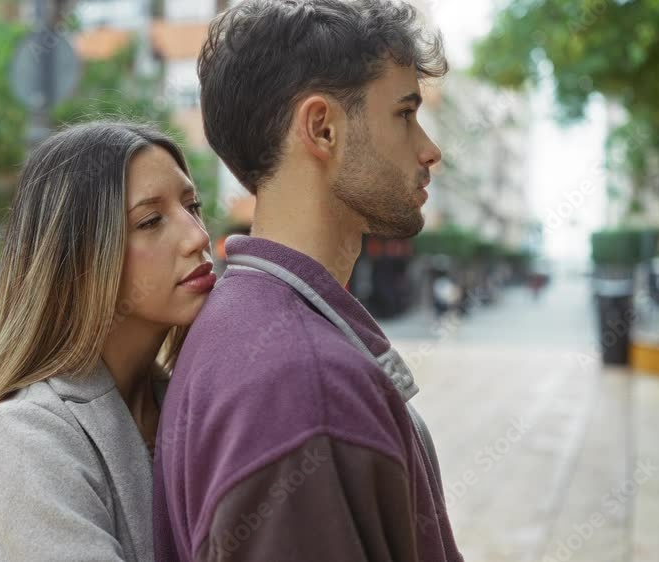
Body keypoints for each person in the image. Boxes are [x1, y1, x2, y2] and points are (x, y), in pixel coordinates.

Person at [153, 1, 463, 560]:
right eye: (404, 114)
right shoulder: (305, 387)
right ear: (322, 128)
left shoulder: (236, 321)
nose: (429, 150)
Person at [0, 121, 214, 562]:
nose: (197, 236)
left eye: (192, 206)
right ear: (80, 258)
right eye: (150, 221)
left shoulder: (195, 403)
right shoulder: (27, 437)